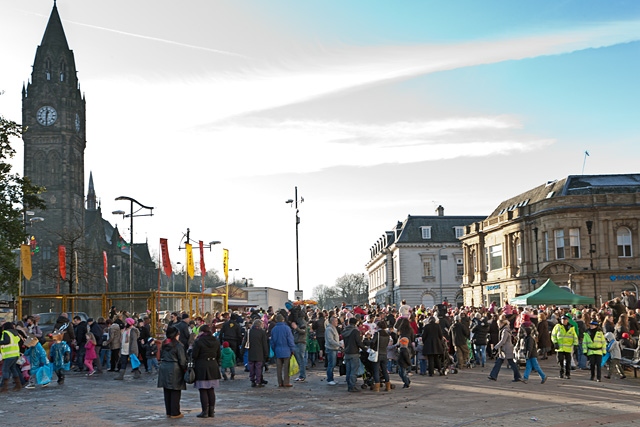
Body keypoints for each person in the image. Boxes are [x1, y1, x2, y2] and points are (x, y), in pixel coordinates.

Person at [157, 326, 187, 419]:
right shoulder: (178, 345)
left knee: (167, 391)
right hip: (174, 368)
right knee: (175, 391)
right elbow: (182, 360)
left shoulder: (164, 343)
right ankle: (175, 412)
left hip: (164, 367)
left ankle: (169, 412)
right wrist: (185, 369)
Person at [192, 324, 221, 418]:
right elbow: (218, 355)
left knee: (203, 390)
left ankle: (205, 411)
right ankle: (211, 411)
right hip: (213, 365)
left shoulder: (198, 341)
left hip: (202, 366)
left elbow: (194, 355)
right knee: (211, 390)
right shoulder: (216, 341)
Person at [488, 318, 522, 382]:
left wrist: (495, 347)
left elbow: (503, 341)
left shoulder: (505, 331)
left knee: (510, 363)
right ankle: (493, 375)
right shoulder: (506, 329)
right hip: (506, 349)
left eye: (498, 324)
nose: (498, 325)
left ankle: (517, 376)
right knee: (501, 362)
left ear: (502, 323)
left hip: (506, 349)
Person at [270, 314, 296, 387]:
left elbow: (272, 342)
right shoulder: (287, 328)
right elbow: (290, 340)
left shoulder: (274, 329)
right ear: (283, 320)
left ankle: (280, 382)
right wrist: (292, 349)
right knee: (286, 368)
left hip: (277, 350)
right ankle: (286, 382)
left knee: (279, 368)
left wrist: (274, 349)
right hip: (287, 350)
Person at [241, 319, 269, 388]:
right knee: (258, 368)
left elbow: (244, 342)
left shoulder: (249, 331)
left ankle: (252, 380)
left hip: (251, 352)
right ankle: (258, 381)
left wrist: (242, 351)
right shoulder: (262, 332)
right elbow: (264, 344)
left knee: (251, 367)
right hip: (259, 353)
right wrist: (266, 354)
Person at [342, 317, 367, 392]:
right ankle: (352, 386)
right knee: (354, 370)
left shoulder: (345, 330)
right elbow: (358, 342)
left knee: (348, 370)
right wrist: (365, 349)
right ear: (356, 323)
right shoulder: (355, 331)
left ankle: (349, 385)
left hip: (347, 352)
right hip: (354, 352)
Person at [551, 315, 578, 379]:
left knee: (568, 362)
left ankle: (567, 374)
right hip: (560, 347)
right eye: (562, 319)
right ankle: (561, 373)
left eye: (565, 319)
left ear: (567, 320)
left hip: (568, 348)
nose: (563, 320)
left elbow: (575, 337)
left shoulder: (571, 327)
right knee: (560, 361)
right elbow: (553, 335)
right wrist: (555, 342)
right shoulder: (557, 326)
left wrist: (576, 344)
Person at [0, 322, 23, 392]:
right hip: (15, 354)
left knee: (5, 370)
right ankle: (18, 385)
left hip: (9, 354)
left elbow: (7, 341)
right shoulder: (15, 333)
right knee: (13, 369)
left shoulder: (6, 332)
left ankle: (5, 387)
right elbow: (19, 340)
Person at [370, 320, 392, 391]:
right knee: (384, 370)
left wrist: (372, 347)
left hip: (377, 353)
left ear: (378, 326)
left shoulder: (377, 334)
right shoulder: (387, 335)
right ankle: (388, 386)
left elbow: (372, 342)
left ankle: (377, 386)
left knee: (376, 370)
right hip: (384, 353)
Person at [325, 316, 341, 385]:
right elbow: (330, 340)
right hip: (331, 349)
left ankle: (331, 378)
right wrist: (339, 345)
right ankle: (329, 379)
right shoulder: (329, 329)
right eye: (336, 321)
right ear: (332, 321)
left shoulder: (334, 328)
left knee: (333, 364)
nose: (337, 322)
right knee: (331, 364)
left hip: (334, 348)